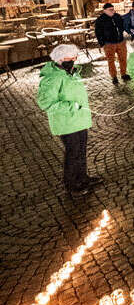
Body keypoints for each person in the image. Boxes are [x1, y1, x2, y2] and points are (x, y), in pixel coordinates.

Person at [37, 43, 96, 197]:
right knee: (73, 153)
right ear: (61, 59)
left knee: (81, 151)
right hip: (66, 123)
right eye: (72, 58)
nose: (75, 60)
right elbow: (46, 103)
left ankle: (83, 178)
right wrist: (72, 106)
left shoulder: (69, 72)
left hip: (79, 120)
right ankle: (72, 184)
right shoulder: (52, 78)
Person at [94, 1, 129, 85]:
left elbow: (122, 26)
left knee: (123, 59)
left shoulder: (117, 16)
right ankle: (114, 77)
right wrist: (102, 43)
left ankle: (123, 74)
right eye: (110, 10)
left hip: (120, 41)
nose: (112, 11)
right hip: (109, 43)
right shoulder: (100, 20)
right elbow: (98, 32)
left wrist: (122, 33)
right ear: (105, 10)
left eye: (113, 9)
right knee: (111, 60)